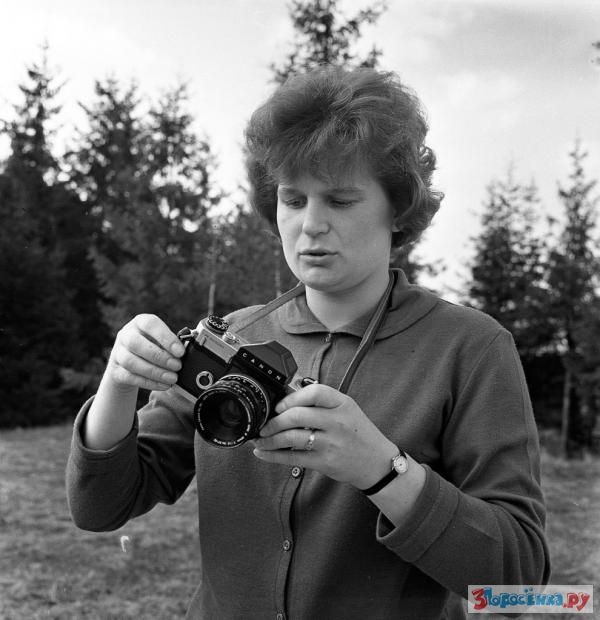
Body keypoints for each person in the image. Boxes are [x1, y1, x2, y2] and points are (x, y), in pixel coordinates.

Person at [66, 65, 550, 619]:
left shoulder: (471, 349)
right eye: (293, 200)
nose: (310, 224)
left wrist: (383, 469)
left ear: (398, 211)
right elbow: (98, 507)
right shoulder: (228, 340)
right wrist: (118, 384)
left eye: (340, 200)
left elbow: (519, 583)